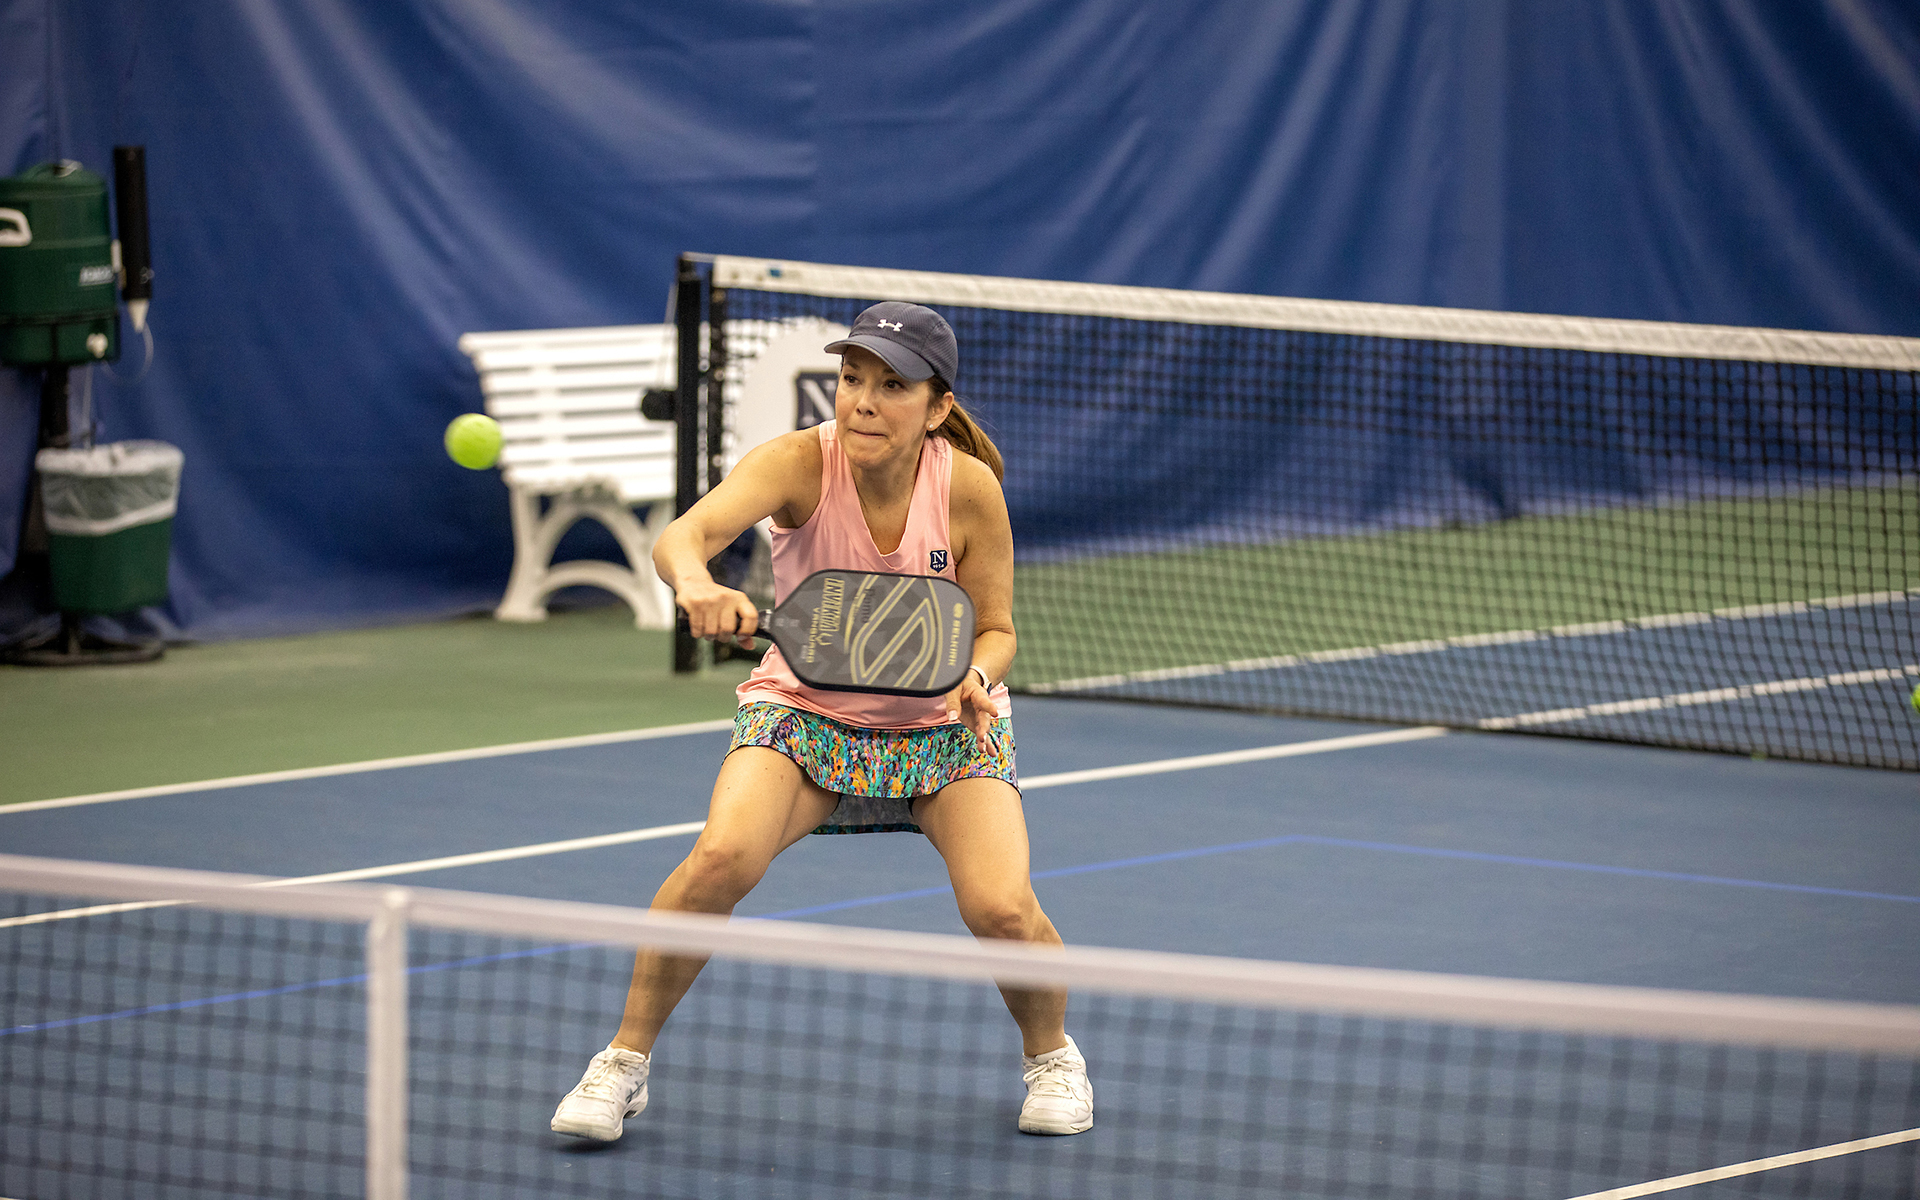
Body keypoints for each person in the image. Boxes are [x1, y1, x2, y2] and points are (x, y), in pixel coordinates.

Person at [550, 301, 1093, 1142]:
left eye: (892, 386)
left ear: (938, 407)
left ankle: (1053, 1058)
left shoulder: (968, 488)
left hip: (945, 721)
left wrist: (978, 676)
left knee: (1001, 909)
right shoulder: (799, 462)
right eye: (851, 378)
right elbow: (684, 537)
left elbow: (996, 628)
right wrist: (695, 583)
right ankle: (621, 1063)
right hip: (806, 710)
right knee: (721, 858)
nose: (863, 401)